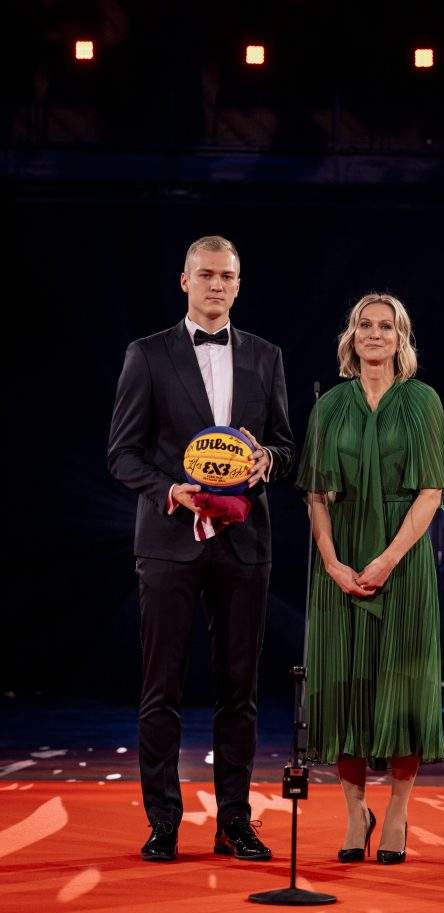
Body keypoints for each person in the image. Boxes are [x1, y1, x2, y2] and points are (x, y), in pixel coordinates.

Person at [108, 235, 295, 863]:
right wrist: (170, 490)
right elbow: (122, 453)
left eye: (228, 276)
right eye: (207, 275)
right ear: (184, 281)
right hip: (169, 542)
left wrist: (268, 460)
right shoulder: (147, 354)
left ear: (239, 285)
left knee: (239, 690)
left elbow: (286, 447)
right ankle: (163, 822)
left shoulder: (266, 356)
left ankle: (234, 822)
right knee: (160, 687)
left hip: (244, 542)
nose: (217, 285)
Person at [296, 293, 444, 865]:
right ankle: (353, 813)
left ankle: (397, 813)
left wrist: (387, 560)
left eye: (386, 327)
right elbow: (317, 495)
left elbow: (431, 492)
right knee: (344, 686)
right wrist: (332, 562)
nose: (374, 334)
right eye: (364, 325)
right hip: (339, 561)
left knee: (402, 684)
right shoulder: (329, 406)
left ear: (401, 339)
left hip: (402, 559)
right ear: (351, 335)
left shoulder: (423, 401)